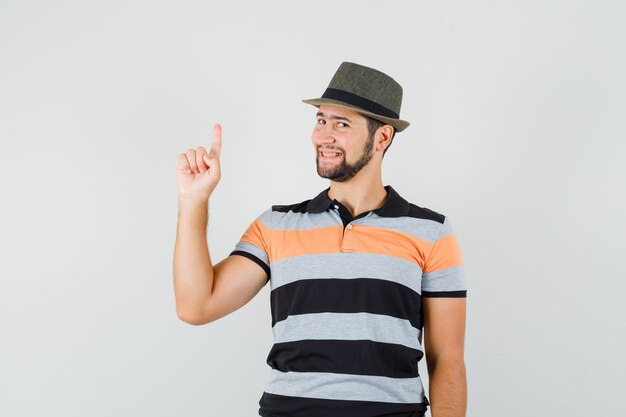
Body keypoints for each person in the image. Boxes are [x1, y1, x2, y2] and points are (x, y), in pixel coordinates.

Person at [173, 61, 467, 417]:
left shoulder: (431, 232)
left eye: (341, 124)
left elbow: (447, 359)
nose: (323, 136)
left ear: (383, 137)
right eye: (321, 120)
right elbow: (196, 307)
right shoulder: (276, 225)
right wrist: (194, 201)